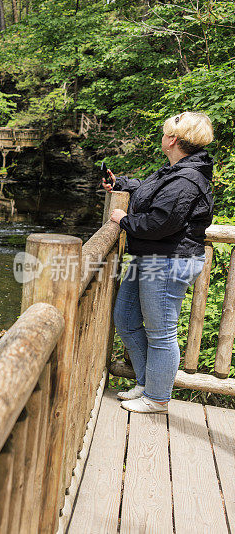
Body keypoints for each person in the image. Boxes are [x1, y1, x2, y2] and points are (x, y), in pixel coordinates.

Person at [103, 111, 214, 413]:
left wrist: (124, 219)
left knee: (162, 334)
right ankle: (145, 383)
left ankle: (158, 398)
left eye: (166, 133)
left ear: (173, 140)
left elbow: (160, 223)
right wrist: (122, 183)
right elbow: (150, 190)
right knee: (125, 319)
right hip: (150, 258)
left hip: (169, 261)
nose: (162, 137)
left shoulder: (188, 178)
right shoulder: (177, 170)